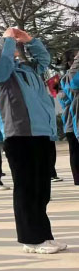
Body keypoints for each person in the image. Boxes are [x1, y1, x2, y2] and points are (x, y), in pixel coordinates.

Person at [0, 28, 66, 255]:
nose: (15, 52)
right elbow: (1, 67)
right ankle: (30, 239)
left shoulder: (28, 70)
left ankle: (44, 236)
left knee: (42, 189)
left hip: (41, 133)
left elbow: (43, 60)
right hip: (19, 134)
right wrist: (7, 40)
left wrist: (30, 41)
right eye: (9, 48)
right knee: (26, 189)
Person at [58, 50, 78, 185]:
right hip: (71, 122)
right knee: (75, 153)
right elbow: (63, 98)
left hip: (73, 119)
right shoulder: (65, 78)